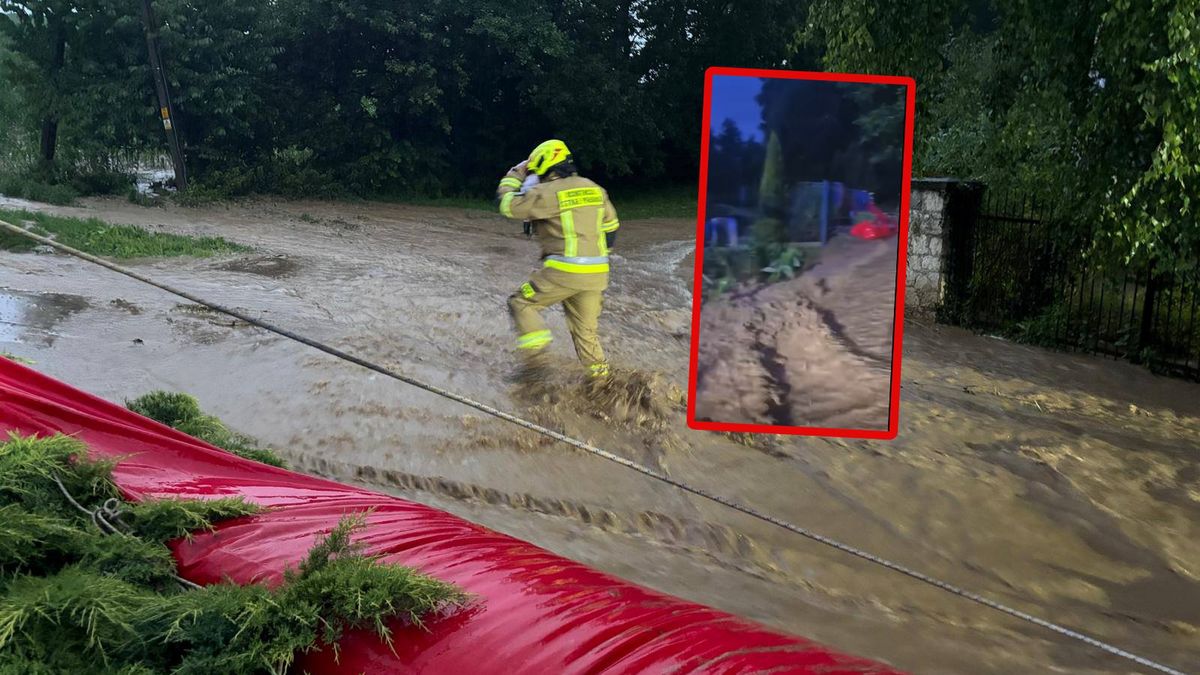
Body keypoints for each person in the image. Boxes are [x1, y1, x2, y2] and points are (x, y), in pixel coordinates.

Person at [495, 139, 619, 379]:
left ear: (544, 164)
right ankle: (601, 384)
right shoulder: (594, 188)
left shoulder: (547, 192)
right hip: (597, 274)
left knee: (521, 304)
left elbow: (507, 206)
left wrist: (515, 173)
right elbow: (612, 226)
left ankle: (536, 367)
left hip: (564, 271)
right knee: (586, 333)